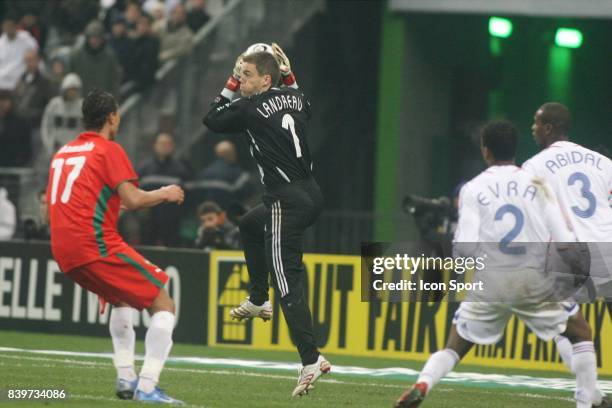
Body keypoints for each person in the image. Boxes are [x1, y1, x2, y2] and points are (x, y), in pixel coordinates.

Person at [394, 121, 606, 408]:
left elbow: (465, 249)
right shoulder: (537, 182)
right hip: (534, 278)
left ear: (486, 151)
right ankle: (587, 402)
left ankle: (424, 383)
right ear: (515, 149)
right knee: (580, 333)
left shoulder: (472, 188)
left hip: (492, 280)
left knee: (454, 347)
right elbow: (565, 238)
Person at [203, 46, 330, 397]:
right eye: (239, 74)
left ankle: (311, 359)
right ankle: (259, 297)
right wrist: (289, 77)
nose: (241, 78)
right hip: (311, 195)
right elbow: (298, 98)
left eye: (246, 74)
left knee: (287, 283)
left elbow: (212, 119)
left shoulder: (249, 107)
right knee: (247, 225)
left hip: (284, 202)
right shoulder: (296, 97)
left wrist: (228, 84)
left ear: (265, 79)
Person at [47, 89, 184, 404]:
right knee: (164, 305)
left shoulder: (64, 151)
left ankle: (125, 377)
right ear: (112, 116)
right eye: (118, 113)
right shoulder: (108, 150)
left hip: (63, 247)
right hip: (93, 244)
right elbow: (134, 201)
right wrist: (165, 192)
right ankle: (147, 387)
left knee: (121, 300)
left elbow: (56, 206)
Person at [522, 102, 612, 398]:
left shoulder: (534, 166)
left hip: (568, 250)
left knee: (562, 322)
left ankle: (590, 393)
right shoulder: (602, 161)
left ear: (548, 127)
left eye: (536, 123)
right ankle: (591, 394)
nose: (532, 128)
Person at [137, 132, 190, 247]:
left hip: (172, 221)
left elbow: (188, 196)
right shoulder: (144, 169)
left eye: (168, 144)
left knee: (173, 250)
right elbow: (134, 193)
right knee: (148, 250)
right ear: (155, 145)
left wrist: (179, 213)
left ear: (173, 146)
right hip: (149, 220)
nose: (165, 146)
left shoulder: (181, 170)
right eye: (162, 143)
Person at [69, 20, 122, 97]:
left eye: (97, 38)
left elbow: (114, 81)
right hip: (81, 100)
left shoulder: (110, 57)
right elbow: (71, 79)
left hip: (103, 101)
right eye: (92, 38)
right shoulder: (77, 55)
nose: (94, 41)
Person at [0, 13, 38, 92]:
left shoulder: (26, 38)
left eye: (10, 26)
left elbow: (35, 54)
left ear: (15, 26)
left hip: (20, 81)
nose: (8, 28)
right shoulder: (1, 43)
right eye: (6, 26)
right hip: (2, 81)